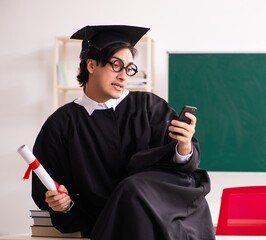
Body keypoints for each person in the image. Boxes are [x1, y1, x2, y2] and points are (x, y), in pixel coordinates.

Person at [31, 25, 215, 240]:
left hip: (163, 218)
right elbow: (50, 191)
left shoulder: (149, 107)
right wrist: (62, 204)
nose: (123, 76)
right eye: (116, 65)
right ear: (91, 65)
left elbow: (181, 171)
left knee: (133, 187)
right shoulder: (61, 124)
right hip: (106, 223)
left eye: (128, 68)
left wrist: (184, 147)